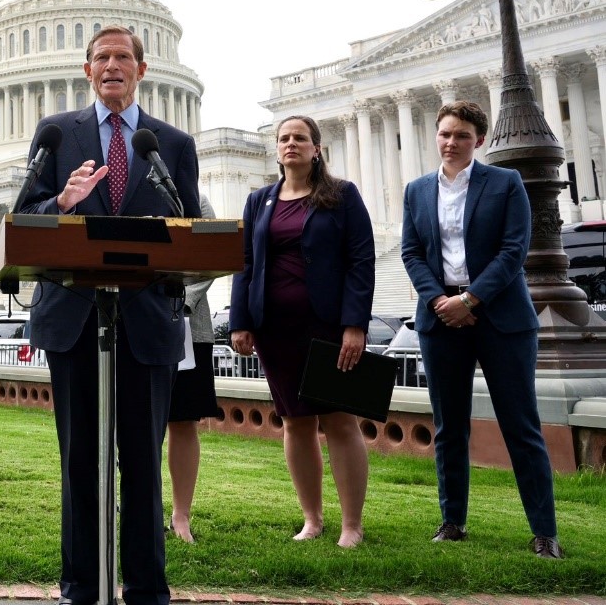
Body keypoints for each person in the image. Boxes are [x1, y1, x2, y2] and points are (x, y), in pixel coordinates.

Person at [18, 25, 200, 605]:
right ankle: (82, 587)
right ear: (87, 70)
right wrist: (61, 203)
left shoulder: (168, 144)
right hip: (74, 317)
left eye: (124, 57)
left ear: (142, 70)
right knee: (80, 462)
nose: (113, 65)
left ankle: (146, 589)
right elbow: (24, 221)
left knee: (143, 463)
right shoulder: (54, 135)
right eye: (102, 57)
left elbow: (190, 229)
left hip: (147, 319)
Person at [400, 101, 563, 559]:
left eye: (462, 136)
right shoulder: (416, 191)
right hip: (440, 316)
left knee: (521, 425)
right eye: (446, 134)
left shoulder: (505, 183)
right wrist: (440, 301)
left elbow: (515, 250)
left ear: (480, 140)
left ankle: (545, 532)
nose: (452, 143)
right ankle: (452, 521)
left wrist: (471, 300)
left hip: (501, 318)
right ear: (437, 136)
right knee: (449, 426)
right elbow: (411, 252)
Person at [229, 115, 374, 549]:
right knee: (295, 422)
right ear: (276, 149)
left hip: (327, 325)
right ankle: (312, 519)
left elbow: (360, 261)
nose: (291, 144)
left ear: (317, 148)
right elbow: (245, 264)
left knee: (340, 421)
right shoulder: (259, 201)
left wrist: (355, 325)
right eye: (284, 138)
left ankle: (352, 524)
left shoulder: (342, 196)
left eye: (300, 138)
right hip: (276, 327)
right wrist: (241, 321)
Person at [166, 195, 224, 544]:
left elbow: (212, 254)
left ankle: (181, 516)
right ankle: (139, 510)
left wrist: (174, 302)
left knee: (183, 421)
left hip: (187, 325)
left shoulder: (196, 200)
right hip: (132, 322)